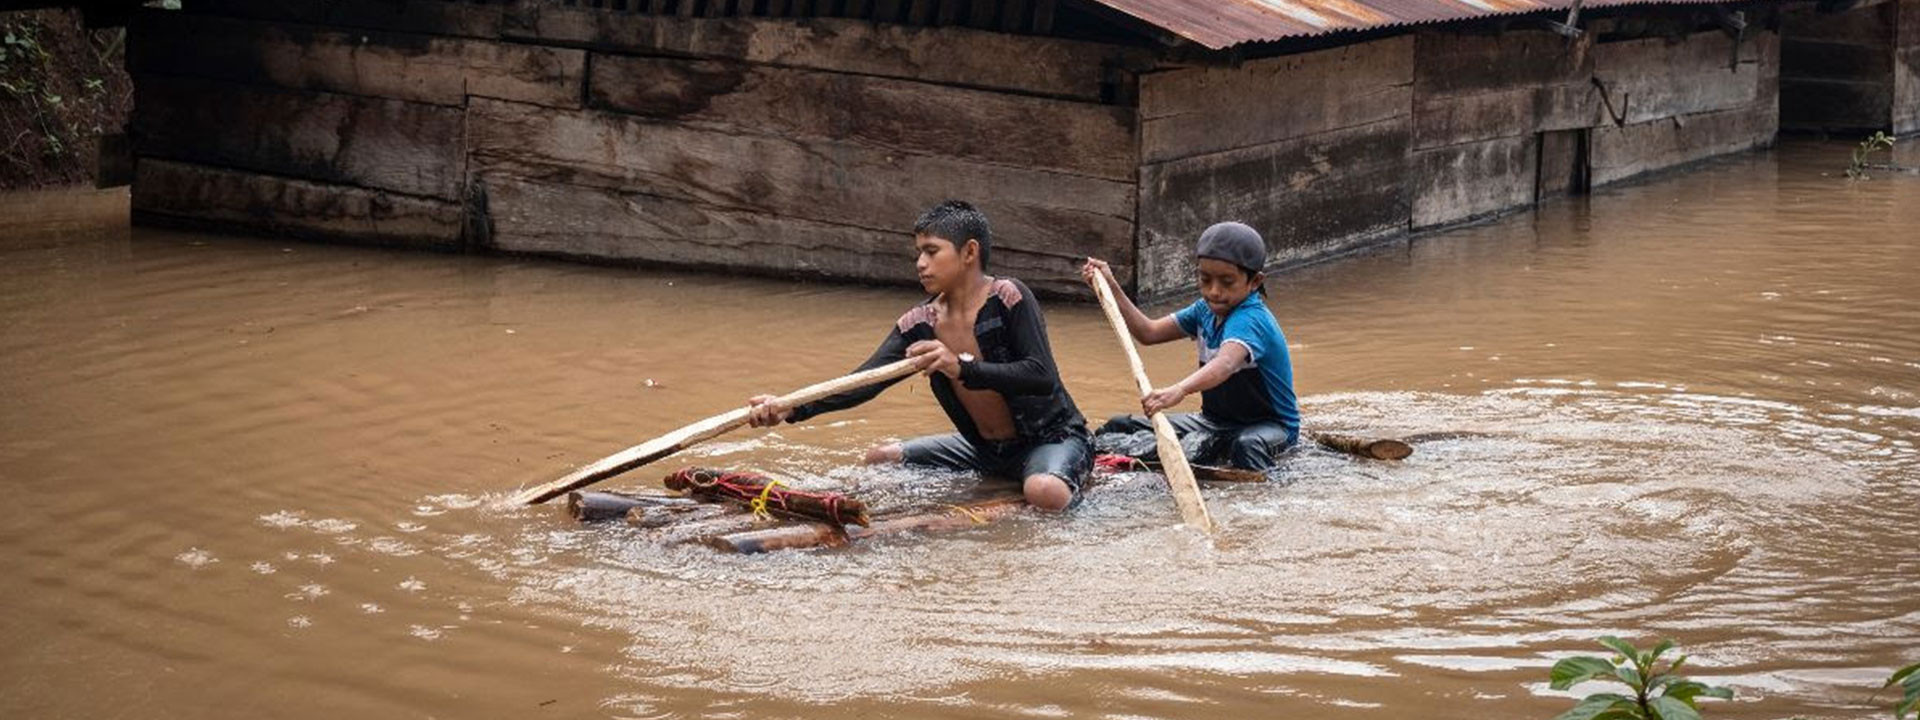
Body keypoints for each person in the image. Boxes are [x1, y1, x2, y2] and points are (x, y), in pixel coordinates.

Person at [746, 200, 1093, 511]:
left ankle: (1068, 475)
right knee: (880, 459)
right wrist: (793, 407)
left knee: (1045, 490)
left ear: (969, 252)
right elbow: (864, 382)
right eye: (919, 253)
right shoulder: (920, 322)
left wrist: (961, 367)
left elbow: (1041, 375)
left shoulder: (1008, 297)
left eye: (931, 251)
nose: (920, 263)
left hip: (1050, 439)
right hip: (984, 450)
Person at [1081, 221, 1299, 471]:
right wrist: (1110, 287)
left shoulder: (1251, 319)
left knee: (1247, 445)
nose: (1214, 292)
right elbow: (1148, 333)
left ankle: (1260, 492)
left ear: (1255, 281)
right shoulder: (1203, 311)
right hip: (1215, 422)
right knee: (1120, 427)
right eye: (1205, 280)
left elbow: (1225, 363)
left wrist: (1180, 390)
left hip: (1270, 427)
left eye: (1227, 282)